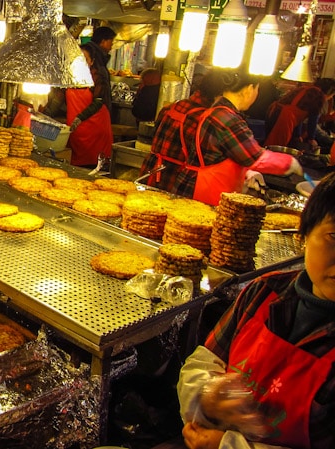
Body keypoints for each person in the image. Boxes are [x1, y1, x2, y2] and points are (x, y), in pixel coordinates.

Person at [177, 171, 335, 449]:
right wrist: (206, 396)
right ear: (304, 235)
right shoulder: (262, 292)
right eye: (333, 236)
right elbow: (203, 362)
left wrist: (227, 446)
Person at [139, 67, 301, 206]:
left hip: (158, 173)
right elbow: (251, 157)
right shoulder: (217, 116)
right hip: (187, 185)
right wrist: (290, 163)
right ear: (249, 89)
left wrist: (245, 171)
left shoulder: (180, 106)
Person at [63, 43, 114, 168]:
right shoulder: (69, 77)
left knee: (92, 170)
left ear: (92, 62)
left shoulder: (97, 77)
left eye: (84, 59)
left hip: (95, 130)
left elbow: (98, 101)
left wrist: (80, 117)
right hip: (75, 131)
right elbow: (57, 100)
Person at [264, 77, 335, 151]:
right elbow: (313, 121)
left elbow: (299, 116)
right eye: (332, 95)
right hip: (284, 118)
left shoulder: (306, 88)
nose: (330, 98)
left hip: (273, 112)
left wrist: (297, 135)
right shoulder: (319, 96)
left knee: (269, 143)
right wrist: (311, 139)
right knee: (276, 147)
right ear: (329, 92)